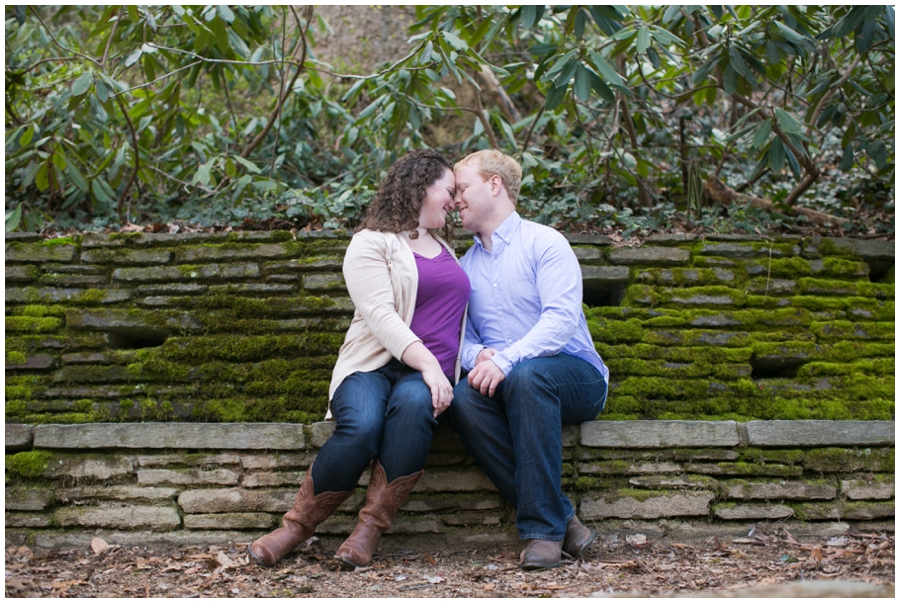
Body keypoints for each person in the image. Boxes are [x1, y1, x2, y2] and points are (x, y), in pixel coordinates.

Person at [249, 149, 470, 568]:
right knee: (363, 426)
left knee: (413, 408)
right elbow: (382, 316)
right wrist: (427, 365)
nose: (454, 200)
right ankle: (295, 527)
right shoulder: (370, 243)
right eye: (449, 190)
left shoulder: (446, 247)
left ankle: (368, 529)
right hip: (371, 366)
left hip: (424, 378)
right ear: (422, 186)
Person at [448, 149, 609, 570]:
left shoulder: (545, 242)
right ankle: (565, 518)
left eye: (462, 187)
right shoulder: (463, 268)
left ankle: (543, 532)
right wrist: (479, 354)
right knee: (464, 399)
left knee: (528, 375)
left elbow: (559, 322)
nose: (455, 199)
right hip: (511, 381)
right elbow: (459, 339)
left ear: (494, 185)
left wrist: (507, 360)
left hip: (576, 375)